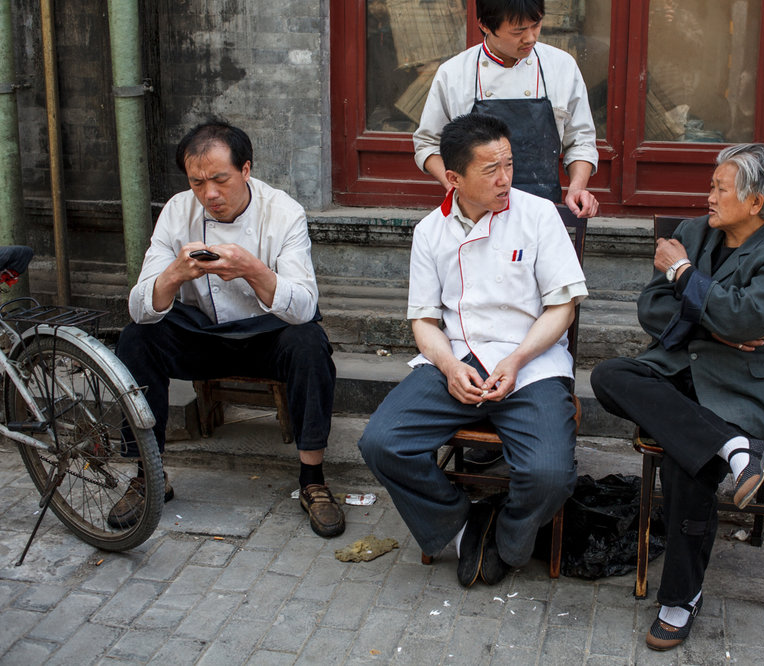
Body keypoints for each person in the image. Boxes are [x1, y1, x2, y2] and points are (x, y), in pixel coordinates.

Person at [590, 143, 764, 651]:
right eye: (710, 185)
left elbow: (746, 318)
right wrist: (717, 329)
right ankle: (733, 448)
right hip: (679, 370)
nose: (707, 196)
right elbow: (650, 310)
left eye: (719, 187)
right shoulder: (692, 233)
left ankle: (680, 597)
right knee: (608, 375)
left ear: (756, 201)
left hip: (745, 386)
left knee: (684, 455)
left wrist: (683, 276)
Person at [358, 113, 586, 587]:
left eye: (509, 163)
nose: (506, 178)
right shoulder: (430, 232)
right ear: (454, 177)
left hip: (531, 359)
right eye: (491, 169)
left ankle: (506, 537)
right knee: (382, 443)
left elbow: (562, 307)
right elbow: (424, 319)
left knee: (549, 474)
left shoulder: (538, 215)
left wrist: (518, 359)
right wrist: (446, 365)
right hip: (456, 356)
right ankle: (463, 528)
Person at [112, 121, 344, 539]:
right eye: (198, 183)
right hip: (201, 336)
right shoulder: (177, 211)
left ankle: (313, 479)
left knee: (309, 341)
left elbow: (305, 303)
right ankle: (148, 473)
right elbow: (140, 304)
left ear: (246, 170)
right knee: (136, 339)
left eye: (220, 179)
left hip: (266, 336)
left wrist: (253, 270)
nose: (210, 194)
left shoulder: (283, 212)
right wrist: (174, 274)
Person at [413, 0, 599, 219]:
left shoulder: (561, 66)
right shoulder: (454, 74)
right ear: (484, 26)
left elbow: (581, 139)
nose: (530, 38)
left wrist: (577, 188)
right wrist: (454, 185)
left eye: (536, 25)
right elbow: (427, 143)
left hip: (541, 211)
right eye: (518, 31)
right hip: (475, 213)